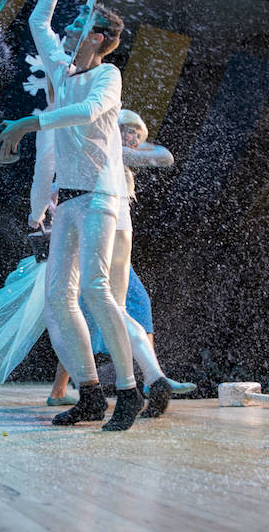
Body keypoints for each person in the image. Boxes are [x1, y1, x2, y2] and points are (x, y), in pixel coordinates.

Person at [0, 0, 144, 431]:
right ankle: (90, 393)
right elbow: (38, 20)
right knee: (59, 297)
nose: (69, 26)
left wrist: (27, 123)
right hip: (71, 201)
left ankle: (130, 391)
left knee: (98, 290)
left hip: (102, 195)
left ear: (97, 38)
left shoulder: (108, 77)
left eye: (80, 22)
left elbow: (89, 111)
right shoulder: (60, 67)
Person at [45, 109, 195, 415]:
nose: (133, 138)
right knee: (83, 312)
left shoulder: (114, 157)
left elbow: (165, 157)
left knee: (108, 309)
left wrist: (137, 145)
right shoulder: (103, 148)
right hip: (92, 239)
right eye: (128, 131)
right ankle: (142, 379)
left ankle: (151, 379)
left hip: (111, 238)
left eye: (138, 135)